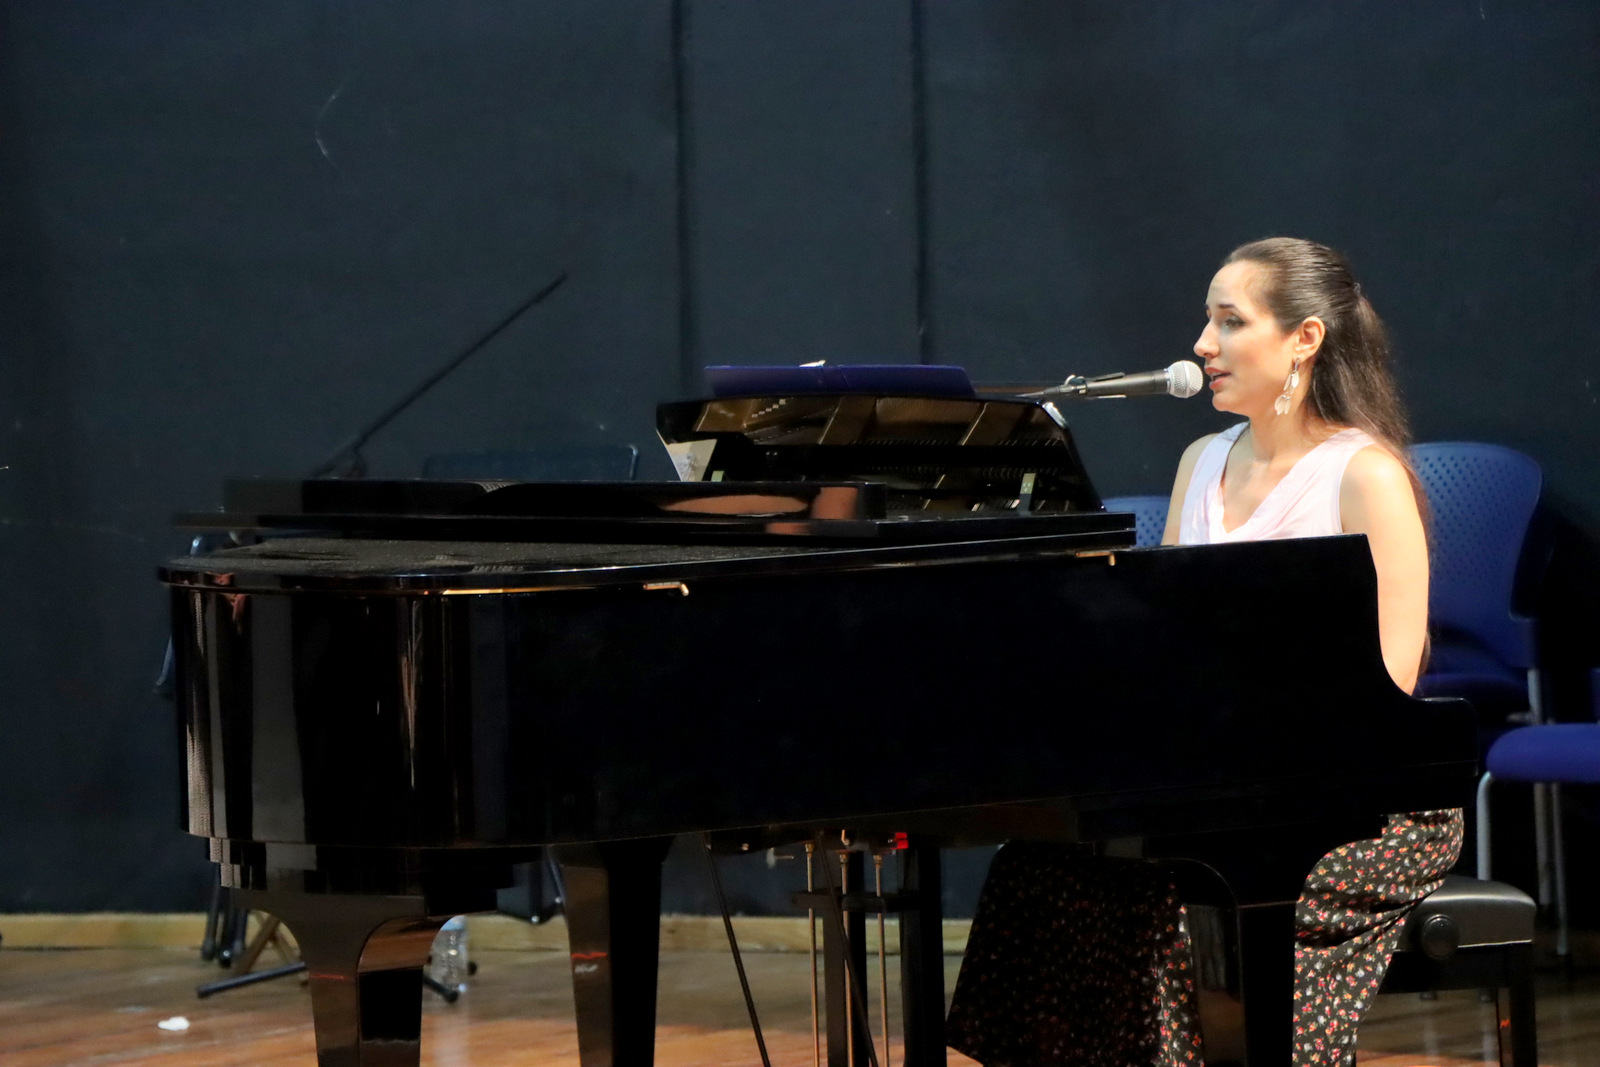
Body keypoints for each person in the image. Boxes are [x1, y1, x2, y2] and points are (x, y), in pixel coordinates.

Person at [946, 238, 1463, 1067]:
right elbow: (1173, 650)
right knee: (1039, 869)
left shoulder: (1364, 474)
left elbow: (1391, 684)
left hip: (1358, 798)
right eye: (1207, 321)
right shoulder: (1203, 460)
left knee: (1177, 903)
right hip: (1218, 784)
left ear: (1305, 338)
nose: (1202, 344)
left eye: (1230, 321)